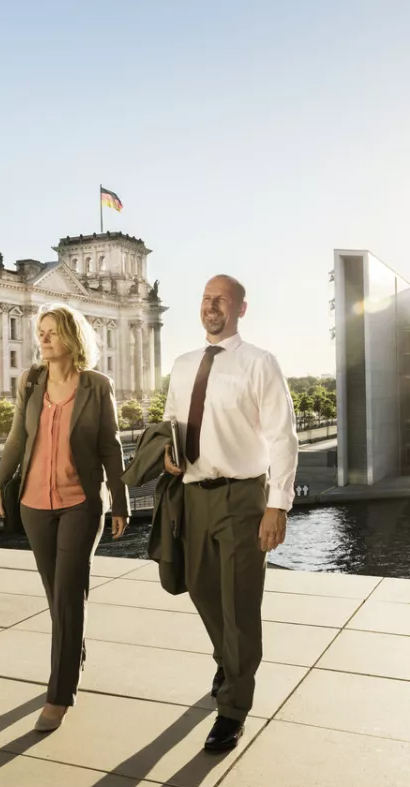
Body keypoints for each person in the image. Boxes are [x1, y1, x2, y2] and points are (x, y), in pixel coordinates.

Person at [164, 275, 298, 753]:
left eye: (221, 300)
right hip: (195, 495)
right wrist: (168, 454)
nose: (211, 306)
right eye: (205, 298)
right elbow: (171, 422)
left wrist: (276, 505)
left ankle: (233, 707)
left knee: (239, 605)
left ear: (241, 309)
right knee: (200, 588)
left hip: (244, 498)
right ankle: (228, 658)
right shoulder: (181, 366)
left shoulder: (260, 363)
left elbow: (283, 437)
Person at [0, 303, 130, 732]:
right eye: (41, 332)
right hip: (33, 505)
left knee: (68, 593)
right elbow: (17, 437)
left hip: (80, 504)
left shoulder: (96, 385)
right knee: (58, 596)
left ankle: (59, 694)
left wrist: (120, 500)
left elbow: (110, 445)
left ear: (71, 337)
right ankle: (74, 653)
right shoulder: (30, 381)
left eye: (50, 332)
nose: (42, 339)